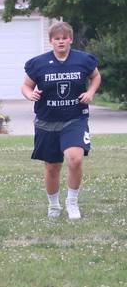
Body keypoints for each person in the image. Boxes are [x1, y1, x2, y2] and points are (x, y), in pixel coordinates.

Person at [21, 21, 100, 220]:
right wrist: (30, 94)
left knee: (75, 159)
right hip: (47, 121)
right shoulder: (38, 63)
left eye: (65, 38)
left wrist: (90, 92)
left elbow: (96, 77)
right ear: (51, 41)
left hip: (75, 118)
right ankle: (53, 204)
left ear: (71, 39)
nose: (61, 42)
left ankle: (72, 203)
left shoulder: (83, 60)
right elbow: (26, 86)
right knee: (52, 166)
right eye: (57, 39)